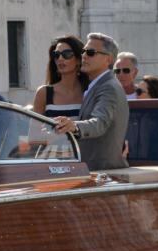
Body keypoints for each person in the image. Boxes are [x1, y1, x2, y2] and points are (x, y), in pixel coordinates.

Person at [53, 32, 129, 170]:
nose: (84, 56)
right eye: (83, 51)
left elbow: (99, 123)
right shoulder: (99, 84)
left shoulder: (108, 87)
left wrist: (74, 126)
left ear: (108, 59)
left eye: (91, 52)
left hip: (104, 174)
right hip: (95, 172)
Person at [32, 35, 88, 119]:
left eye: (67, 54)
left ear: (78, 60)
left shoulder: (89, 91)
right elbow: (34, 129)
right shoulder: (44, 93)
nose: (60, 58)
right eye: (56, 55)